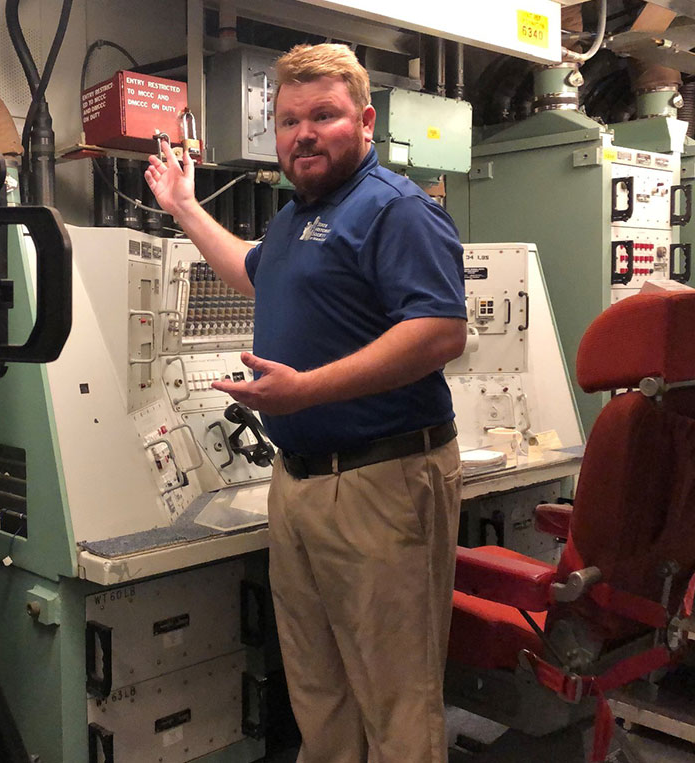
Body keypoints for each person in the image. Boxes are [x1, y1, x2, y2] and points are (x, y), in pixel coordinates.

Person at [144, 43, 467, 763]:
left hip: (382, 481)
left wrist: (303, 390)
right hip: (300, 483)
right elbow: (255, 273)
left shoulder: (396, 210)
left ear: (365, 120)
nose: (304, 133)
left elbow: (440, 331)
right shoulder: (295, 220)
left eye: (324, 115)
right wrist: (186, 208)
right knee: (319, 693)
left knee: (396, 703)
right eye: (289, 121)